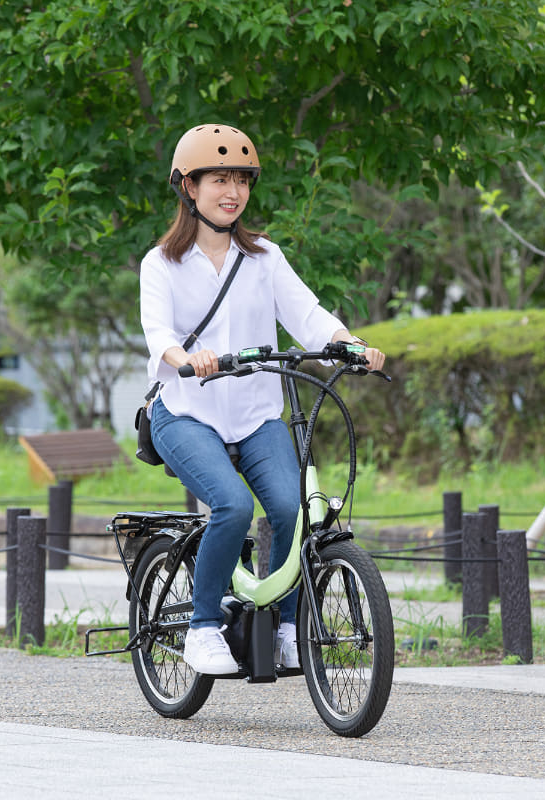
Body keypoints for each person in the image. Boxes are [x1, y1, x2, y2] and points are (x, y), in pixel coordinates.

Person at [139, 123, 385, 675]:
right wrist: (186, 357)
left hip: (255, 417)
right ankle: (202, 629)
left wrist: (349, 344)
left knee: (295, 510)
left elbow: (307, 315)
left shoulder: (264, 257)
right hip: (186, 413)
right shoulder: (161, 264)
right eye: (219, 180)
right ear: (189, 187)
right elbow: (158, 334)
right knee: (232, 506)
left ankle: (290, 631)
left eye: (242, 181)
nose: (233, 193)